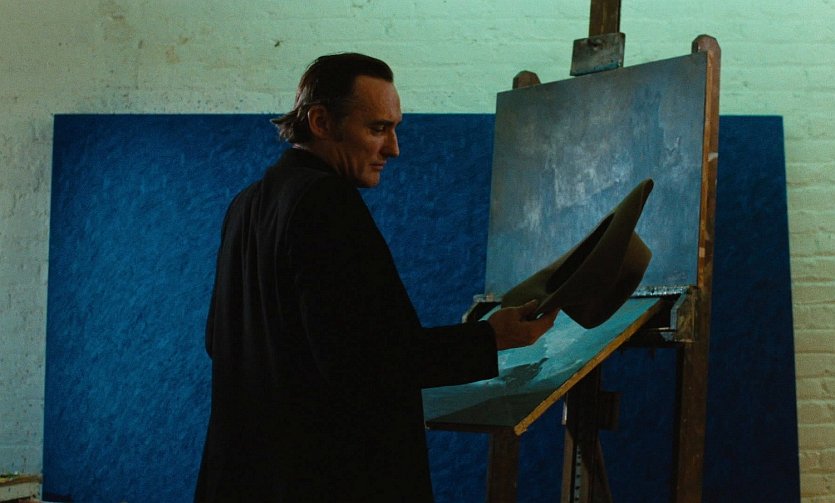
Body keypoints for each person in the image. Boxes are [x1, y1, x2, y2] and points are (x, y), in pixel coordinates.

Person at [195, 52, 557, 502]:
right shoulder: (325, 201)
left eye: (394, 128)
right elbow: (368, 360)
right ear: (321, 122)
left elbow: (218, 339)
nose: (393, 148)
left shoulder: (245, 204)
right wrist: (492, 338)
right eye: (378, 128)